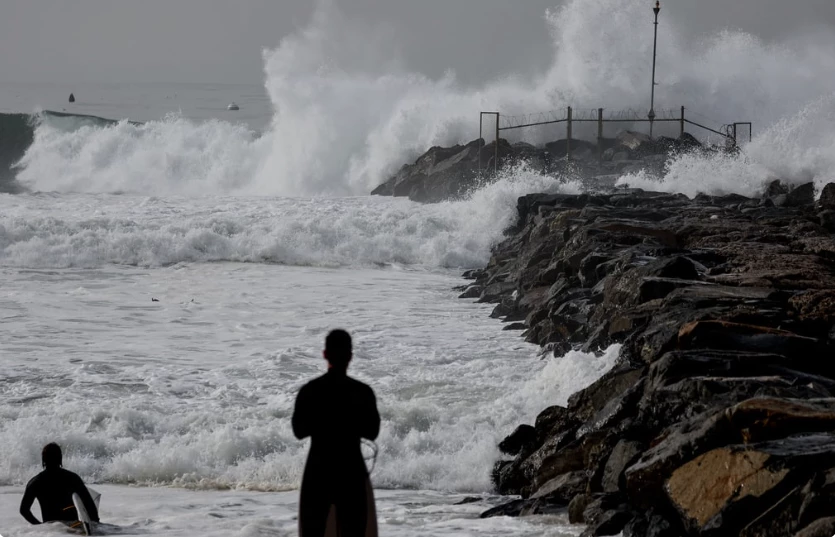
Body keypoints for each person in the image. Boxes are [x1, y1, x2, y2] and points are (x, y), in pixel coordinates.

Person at [292, 329, 381, 537]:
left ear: (325, 354)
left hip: (318, 472)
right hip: (351, 473)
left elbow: (298, 431)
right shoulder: (362, 392)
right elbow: (373, 432)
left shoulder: (310, 390)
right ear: (350, 355)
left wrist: (324, 422)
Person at [20, 443, 100, 526]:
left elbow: (24, 510)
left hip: (53, 529)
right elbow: (88, 504)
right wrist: (95, 524)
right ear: (60, 458)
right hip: (73, 527)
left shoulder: (35, 482)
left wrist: (40, 526)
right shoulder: (72, 478)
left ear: (43, 460)